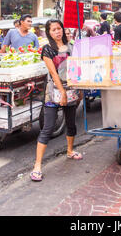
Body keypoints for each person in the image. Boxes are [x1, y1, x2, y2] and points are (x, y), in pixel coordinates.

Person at [30, 19, 83, 182]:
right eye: (53, 30)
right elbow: (53, 73)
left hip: (71, 88)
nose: (57, 32)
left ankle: (69, 150)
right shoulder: (47, 49)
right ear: (49, 33)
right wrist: (62, 92)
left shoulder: (72, 47)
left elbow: (77, 68)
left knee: (71, 122)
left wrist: (79, 88)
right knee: (48, 127)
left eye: (59, 28)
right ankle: (37, 166)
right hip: (54, 91)